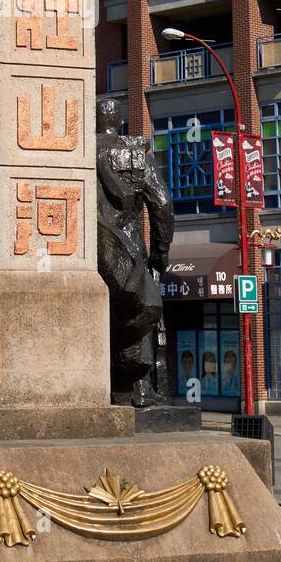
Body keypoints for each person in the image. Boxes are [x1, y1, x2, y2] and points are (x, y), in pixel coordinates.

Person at [96, 98, 174, 407]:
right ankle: (139, 389)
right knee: (140, 309)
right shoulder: (134, 153)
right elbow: (163, 205)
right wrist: (161, 252)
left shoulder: (75, 152)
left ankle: (106, 387)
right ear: (119, 122)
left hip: (86, 250)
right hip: (127, 246)